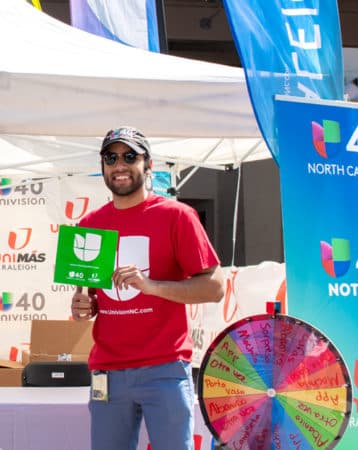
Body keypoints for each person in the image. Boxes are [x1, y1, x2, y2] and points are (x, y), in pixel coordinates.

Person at [70, 126, 225, 450]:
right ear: (102, 166)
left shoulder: (177, 216)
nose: (119, 165)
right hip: (107, 372)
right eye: (111, 157)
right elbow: (85, 296)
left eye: (130, 156)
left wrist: (150, 286)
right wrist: (82, 304)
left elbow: (214, 288)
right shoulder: (88, 225)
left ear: (148, 164)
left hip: (165, 367)